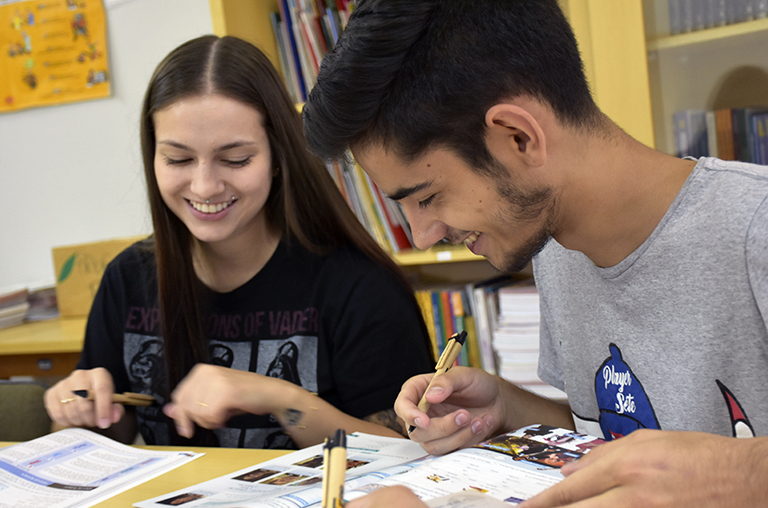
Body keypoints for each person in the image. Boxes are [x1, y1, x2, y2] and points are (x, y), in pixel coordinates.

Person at [301, 0, 768, 506]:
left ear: (519, 137)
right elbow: (609, 437)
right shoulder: (557, 250)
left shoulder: (754, 226)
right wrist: (506, 409)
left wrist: (741, 473)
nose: (422, 236)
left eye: (427, 197)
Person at [44, 35, 433, 449]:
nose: (205, 186)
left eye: (235, 159)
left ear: (279, 157)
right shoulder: (128, 278)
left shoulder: (358, 287)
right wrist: (77, 412)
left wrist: (279, 398)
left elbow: (409, 450)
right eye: (178, 159)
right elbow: (100, 442)